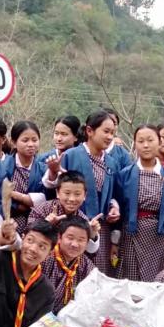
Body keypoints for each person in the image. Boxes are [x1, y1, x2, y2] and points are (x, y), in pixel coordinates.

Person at [42, 111, 123, 275]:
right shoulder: (71, 155)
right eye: (106, 131)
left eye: (112, 133)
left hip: (99, 228)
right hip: (71, 225)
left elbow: (113, 193)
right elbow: (53, 189)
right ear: (89, 131)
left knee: (96, 275)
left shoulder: (111, 162)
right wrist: (53, 172)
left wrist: (114, 206)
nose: (109, 137)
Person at [117, 124, 164, 282]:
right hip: (132, 233)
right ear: (134, 145)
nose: (145, 145)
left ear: (159, 143)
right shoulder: (125, 174)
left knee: (158, 279)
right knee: (131, 279)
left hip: (159, 235)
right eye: (140, 141)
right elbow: (117, 205)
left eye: (150, 140)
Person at [1, 121, 48, 237]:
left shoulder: (44, 169)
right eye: (25, 140)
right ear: (14, 142)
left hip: (35, 225)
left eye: (34, 140)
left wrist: (16, 196)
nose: (31, 144)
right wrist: (19, 206)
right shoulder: (2, 167)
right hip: (7, 222)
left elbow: (47, 197)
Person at [42, 216, 96, 313]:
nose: (74, 244)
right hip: (39, 314)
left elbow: (95, 287)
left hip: (67, 316)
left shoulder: (85, 263)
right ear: (59, 237)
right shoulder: (46, 258)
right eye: (70, 238)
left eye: (81, 240)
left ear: (87, 243)